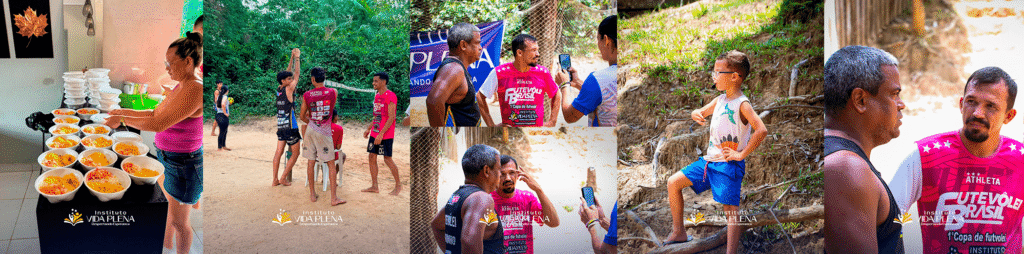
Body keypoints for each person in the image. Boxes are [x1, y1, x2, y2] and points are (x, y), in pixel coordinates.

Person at [889, 67, 1023, 253]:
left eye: (990, 106)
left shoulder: (1020, 160)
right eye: (971, 101)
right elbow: (889, 220)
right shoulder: (925, 155)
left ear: (1009, 116)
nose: (977, 113)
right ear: (961, 104)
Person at [104, 32, 203, 254]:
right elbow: (153, 112)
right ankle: (166, 247)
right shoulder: (181, 85)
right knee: (167, 209)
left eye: (170, 63)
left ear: (188, 61)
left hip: (184, 163)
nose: (167, 68)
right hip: (168, 158)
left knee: (181, 223)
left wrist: (121, 119)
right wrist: (122, 111)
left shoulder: (195, 88)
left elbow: (160, 123)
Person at [663, 50, 767, 254]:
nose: (714, 76)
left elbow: (761, 130)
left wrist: (741, 154)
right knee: (673, 183)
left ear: (735, 77)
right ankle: (679, 232)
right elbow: (701, 112)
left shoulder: (742, 104)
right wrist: (696, 113)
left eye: (718, 72)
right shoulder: (719, 100)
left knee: (731, 212)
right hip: (709, 162)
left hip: (728, 165)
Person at [822, 45, 905, 253]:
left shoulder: (841, 160)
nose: (901, 104)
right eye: (894, 94)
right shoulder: (846, 169)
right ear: (860, 100)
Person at [431, 144, 505, 254]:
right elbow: (469, 240)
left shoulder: (458, 196)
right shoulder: (482, 198)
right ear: (486, 171)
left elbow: (436, 225)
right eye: (499, 169)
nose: (500, 174)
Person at [477, 34, 561, 127]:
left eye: (537, 50)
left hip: (536, 131)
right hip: (511, 131)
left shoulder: (542, 72)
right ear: (519, 53)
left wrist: (552, 122)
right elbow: (480, 96)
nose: (538, 54)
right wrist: (491, 126)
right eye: (533, 50)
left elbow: (556, 93)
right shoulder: (499, 72)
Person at [489, 155, 560, 254]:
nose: (508, 178)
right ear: (495, 176)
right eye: (502, 174)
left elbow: (553, 223)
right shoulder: (487, 200)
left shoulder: (527, 198)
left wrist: (538, 190)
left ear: (518, 175)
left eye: (512, 173)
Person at [556, 15, 618, 127]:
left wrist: (564, 85)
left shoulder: (597, 79)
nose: (598, 44)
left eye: (598, 38)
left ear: (607, 40)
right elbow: (603, 96)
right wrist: (578, 83)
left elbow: (569, 116)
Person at [299, 67, 345, 206]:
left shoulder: (307, 95)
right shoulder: (333, 92)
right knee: (331, 164)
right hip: (324, 132)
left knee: (311, 162)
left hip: (311, 131)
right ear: (324, 79)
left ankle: (312, 195)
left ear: (313, 79)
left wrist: (312, 122)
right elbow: (331, 110)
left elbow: (302, 116)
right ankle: (333, 198)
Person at [427, 23, 482, 127]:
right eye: (477, 43)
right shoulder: (453, 69)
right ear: (463, 45)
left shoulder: (459, 67)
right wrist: (440, 131)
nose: (480, 48)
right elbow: (433, 101)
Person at [362, 72, 402, 195]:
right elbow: (377, 116)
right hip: (375, 132)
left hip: (386, 134)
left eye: (376, 81)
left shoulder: (391, 96)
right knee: (372, 157)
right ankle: (375, 186)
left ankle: (398, 186)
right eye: (373, 81)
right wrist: (369, 129)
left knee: (387, 159)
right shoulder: (377, 96)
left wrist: (381, 134)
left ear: (383, 82)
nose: (373, 83)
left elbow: (391, 118)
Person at [272, 48, 302, 186]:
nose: (291, 80)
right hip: (291, 126)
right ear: (284, 81)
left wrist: (290, 57)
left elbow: (288, 73)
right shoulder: (289, 88)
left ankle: (274, 180)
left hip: (280, 126)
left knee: (278, 152)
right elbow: (296, 74)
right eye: (288, 79)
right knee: (295, 153)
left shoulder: (280, 88)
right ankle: (283, 177)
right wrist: (297, 58)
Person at [215, 81, 231, 151]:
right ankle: (220, 147)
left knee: (224, 131)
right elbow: (223, 105)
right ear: (227, 91)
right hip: (223, 116)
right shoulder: (225, 97)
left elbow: (218, 105)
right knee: (223, 131)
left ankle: (223, 146)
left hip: (218, 115)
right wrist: (225, 113)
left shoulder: (219, 96)